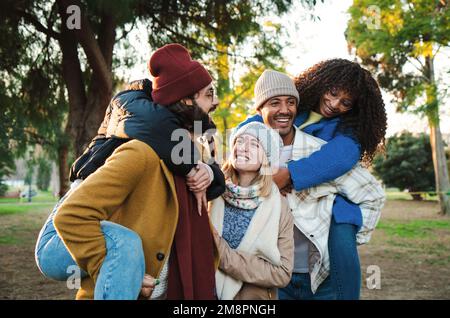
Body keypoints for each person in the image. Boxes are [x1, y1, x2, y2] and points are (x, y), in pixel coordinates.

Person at [35, 43, 225, 300]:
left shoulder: (184, 153)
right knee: (125, 244)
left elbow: (212, 170)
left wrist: (210, 172)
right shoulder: (140, 142)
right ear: (185, 100)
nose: (216, 101)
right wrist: (124, 274)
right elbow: (72, 217)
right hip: (59, 235)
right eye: (209, 94)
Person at [239, 65, 387, 299]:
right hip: (285, 221)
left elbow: (341, 155)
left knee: (342, 237)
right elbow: (258, 117)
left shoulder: (343, 129)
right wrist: (243, 138)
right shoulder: (294, 109)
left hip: (332, 202)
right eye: (334, 92)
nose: (336, 103)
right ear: (321, 83)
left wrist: (290, 174)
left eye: (346, 103)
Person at [210, 122, 294, 300]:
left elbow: (282, 273)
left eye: (254, 144)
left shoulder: (279, 206)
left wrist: (222, 253)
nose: (243, 148)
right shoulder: (212, 191)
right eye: (239, 141)